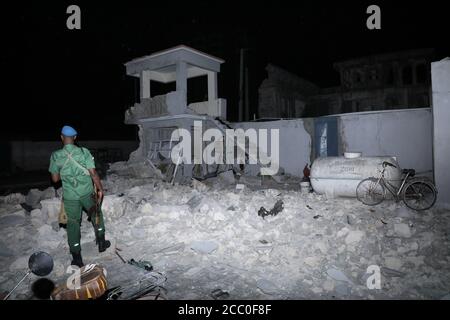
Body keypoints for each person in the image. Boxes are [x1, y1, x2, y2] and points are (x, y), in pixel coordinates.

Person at [48, 125, 110, 267]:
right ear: (75, 138)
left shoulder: (56, 155)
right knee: (96, 214)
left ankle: (77, 257)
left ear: (62, 138)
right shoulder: (84, 152)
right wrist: (100, 189)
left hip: (70, 196)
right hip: (87, 193)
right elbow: (93, 173)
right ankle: (101, 243)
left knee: (73, 224)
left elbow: (55, 179)